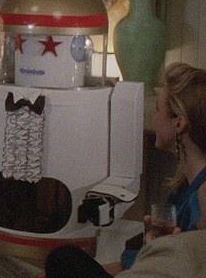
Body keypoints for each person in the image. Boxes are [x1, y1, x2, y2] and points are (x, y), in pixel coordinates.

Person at [45, 62, 206, 276]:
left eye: (158, 109)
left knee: (62, 259)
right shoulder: (184, 186)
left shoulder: (202, 195)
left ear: (179, 123)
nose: (153, 117)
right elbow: (130, 266)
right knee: (64, 261)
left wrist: (158, 252)